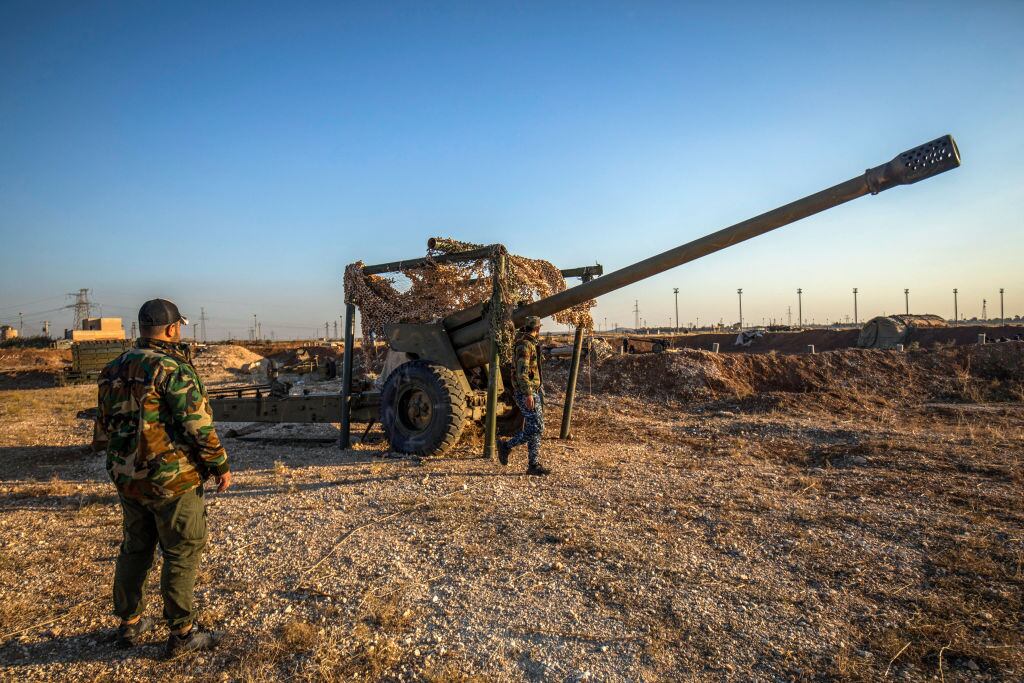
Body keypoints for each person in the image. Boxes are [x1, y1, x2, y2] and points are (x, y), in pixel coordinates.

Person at [93, 298, 231, 656]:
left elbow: (104, 426)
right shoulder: (173, 368)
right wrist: (219, 464)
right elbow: (198, 426)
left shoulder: (112, 368)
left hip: (128, 478)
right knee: (182, 550)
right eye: (179, 327)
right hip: (172, 480)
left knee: (135, 548)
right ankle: (182, 634)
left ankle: (129, 624)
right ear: (172, 329)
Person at [498, 316, 551, 475]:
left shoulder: (529, 344)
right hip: (526, 392)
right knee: (537, 427)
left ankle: (533, 465)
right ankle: (506, 446)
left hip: (532, 391)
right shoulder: (525, 346)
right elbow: (522, 373)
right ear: (537, 329)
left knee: (534, 428)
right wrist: (528, 393)